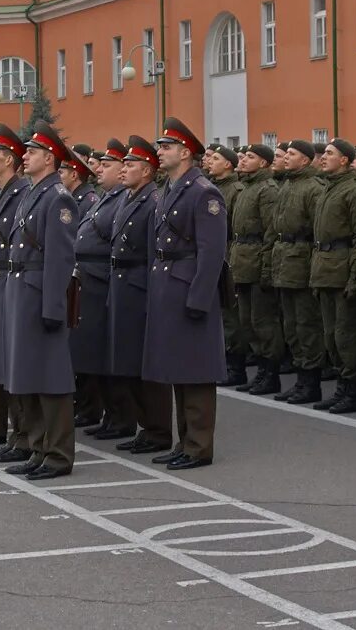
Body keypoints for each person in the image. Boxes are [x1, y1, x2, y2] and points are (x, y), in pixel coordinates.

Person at [144, 117, 228, 469]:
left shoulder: (203, 192)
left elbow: (212, 253)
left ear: (185, 152)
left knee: (196, 371)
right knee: (178, 368)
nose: (159, 152)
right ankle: (184, 442)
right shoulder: (169, 188)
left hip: (189, 287)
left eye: (166, 147)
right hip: (168, 284)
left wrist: (199, 298)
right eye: (160, 147)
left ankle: (198, 446)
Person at [2, 120, 78, 480]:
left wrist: (53, 307)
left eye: (31, 152)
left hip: (40, 295)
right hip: (24, 289)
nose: (25, 157)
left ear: (49, 158)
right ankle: (37, 446)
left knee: (51, 378)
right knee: (29, 374)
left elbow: (60, 260)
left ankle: (58, 454)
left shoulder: (58, 197)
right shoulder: (33, 192)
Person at [109, 135, 171, 455]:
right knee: (129, 362)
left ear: (147, 171)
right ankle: (144, 426)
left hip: (139, 285)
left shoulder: (152, 201)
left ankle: (158, 429)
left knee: (147, 366)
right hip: (122, 284)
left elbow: (152, 254)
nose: (125, 168)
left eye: (131, 164)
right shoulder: (128, 197)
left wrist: (153, 296)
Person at [71, 139, 130, 436]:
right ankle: (105, 414)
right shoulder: (107, 197)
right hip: (90, 279)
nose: (99, 170)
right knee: (92, 351)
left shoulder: (119, 199)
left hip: (103, 279)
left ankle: (118, 416)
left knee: (107, 354)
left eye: (107, 166)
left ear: (122, 171)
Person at [0, 125, 31, 456]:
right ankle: (11, 433)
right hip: (0, 281)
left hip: (16, 283)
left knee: (16, 364)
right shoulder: (3, 194)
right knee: (0, 361)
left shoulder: (21, 194)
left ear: (9, 160)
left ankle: (23, 436)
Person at [310, 138, 356, 414]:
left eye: (330, 154)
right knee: (331, 334)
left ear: (344, 160)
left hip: (342, 269)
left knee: (346, 335)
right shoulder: (328, 189)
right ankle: (342, 388)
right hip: (324, 269)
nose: (323, 157)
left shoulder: (354, 191)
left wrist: (354, 276)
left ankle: (353, 391)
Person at [271, 140, 327, 404]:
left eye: (291, 154)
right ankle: (301, 378)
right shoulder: (288, 184)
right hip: (284, 259)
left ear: (304, 160)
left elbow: (319, 230)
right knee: (291, 325)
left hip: (302, 260)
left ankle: (310, 382)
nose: (285, 158)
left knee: (307, 325)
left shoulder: (313, 188)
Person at [230, 143, 283, 395]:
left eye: (249, 157)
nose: (242, 160)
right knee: (247, 321)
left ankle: (269, 374)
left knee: (263, 322)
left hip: (257, 261)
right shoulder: (247, 188)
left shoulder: (267, 190)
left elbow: (271, 233)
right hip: (242, 262)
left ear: (263, 163)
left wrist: (266, 268)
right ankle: (261, 371)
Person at [205, 144, 249, 387]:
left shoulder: (235, 189)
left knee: (233, 317)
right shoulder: (211, 187)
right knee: (222, 315)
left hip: (230, 254)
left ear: (228, 164)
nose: (210, 161)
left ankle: (236, 367)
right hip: (219, 255)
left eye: (216, 158)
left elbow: (232, 227)